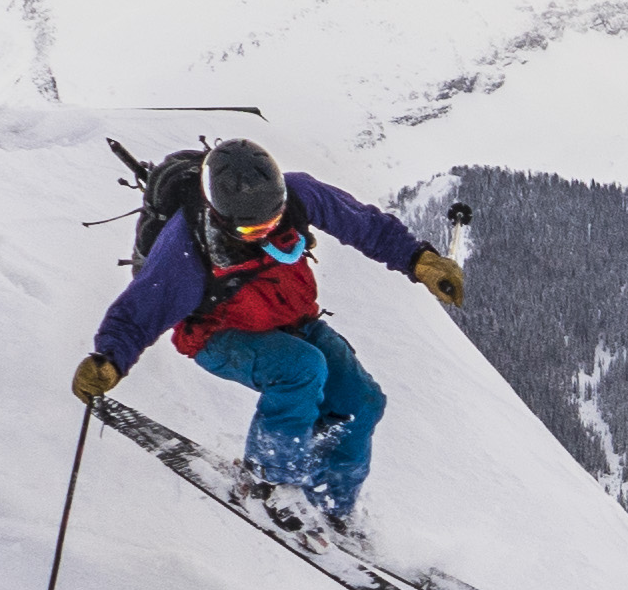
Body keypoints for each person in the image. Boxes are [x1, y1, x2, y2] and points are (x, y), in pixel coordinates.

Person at [72, 137, 463, 529]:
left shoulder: (299, 195)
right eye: (252, 227)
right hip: (218, 334)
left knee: (362, 402)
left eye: (273, 220)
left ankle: (331, 507)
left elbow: (364, 225)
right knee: (300, 369)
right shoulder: (187, 246)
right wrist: (109, 359)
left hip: (292, 320)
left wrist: (420, 261)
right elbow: (141, 310)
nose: (266, 231)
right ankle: (267, 480)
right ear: (221, 215)